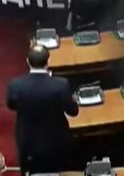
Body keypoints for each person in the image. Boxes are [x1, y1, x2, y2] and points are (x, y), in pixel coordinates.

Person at [6, 44, 78, 174]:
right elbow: (73, 112)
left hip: (27, 138)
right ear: (48, 62)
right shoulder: (61, 85)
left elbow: (11, 105)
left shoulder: (16, 85)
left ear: (28, 62)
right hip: (55, 138)